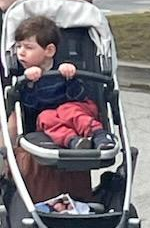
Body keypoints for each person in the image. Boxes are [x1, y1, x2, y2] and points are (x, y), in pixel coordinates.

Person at [12, 15, 115, 150]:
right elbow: (30, 109)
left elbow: (80, 96)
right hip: (51, 116)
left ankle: (99, 135)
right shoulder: (22, 77)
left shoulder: (64, 67)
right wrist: (29, 84)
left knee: (67, 110)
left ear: (49, 51)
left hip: (77, 109)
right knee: (45, 117)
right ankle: (73, 141)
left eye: (28, 47)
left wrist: (70, 78)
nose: (21, 53)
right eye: (18, 47)